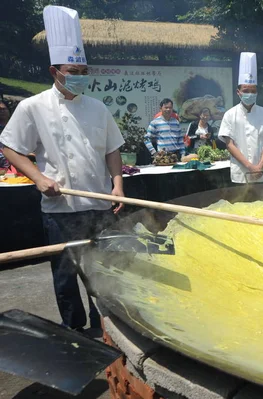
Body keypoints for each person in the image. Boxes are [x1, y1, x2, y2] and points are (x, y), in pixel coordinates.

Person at [0, 6, 125, 334]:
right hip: (61, 210)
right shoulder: (33, 107)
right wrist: (38, 178)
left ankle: (110, 331)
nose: (80, 75)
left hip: (99, 204)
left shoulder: (98, 108)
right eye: (74, 69)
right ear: (54, 70)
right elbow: (9, 146)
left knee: (105, 272)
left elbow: (113, 149)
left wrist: (118, 186)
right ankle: (75, 334)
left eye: (84, 69)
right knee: (66, 277)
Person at [218, 52, 263, 183]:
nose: (250, 94)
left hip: (261, 173)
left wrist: (259, 166)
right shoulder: (230, 114)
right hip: (241, 173)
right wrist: (250, 166)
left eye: (253, 91)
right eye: (246, 90)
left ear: (257, 92)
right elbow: (230, 145)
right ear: (238, 92)